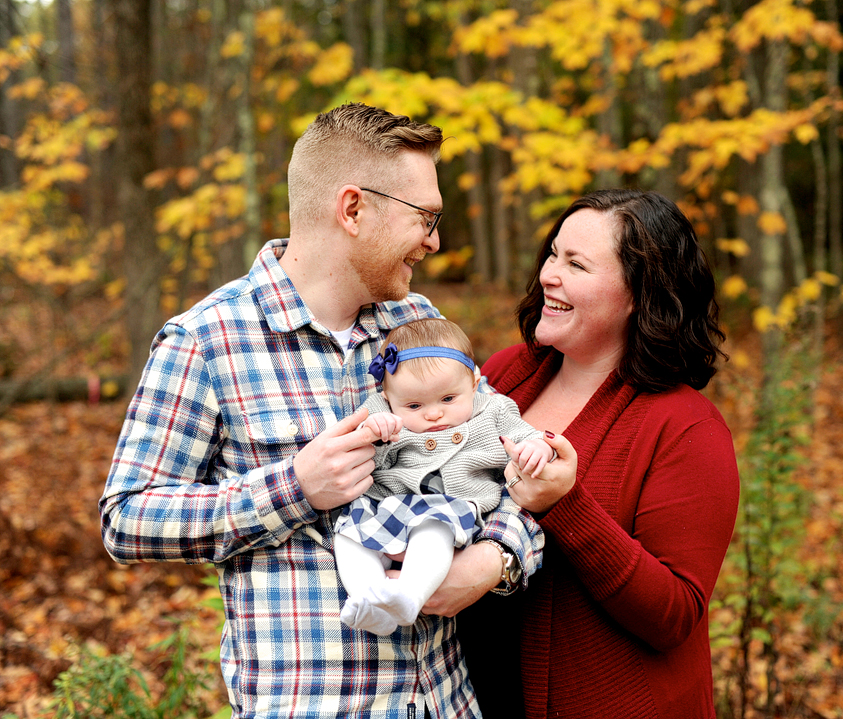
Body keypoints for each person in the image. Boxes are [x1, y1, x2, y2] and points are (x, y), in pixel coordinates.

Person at [100, 103, 543, 719]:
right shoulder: (206, 340)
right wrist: (295, 489)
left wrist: (496, 559)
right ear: (353, 208)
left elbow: (501, 465)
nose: (435, 240)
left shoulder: (420, 327)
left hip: (443, 704)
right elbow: (127, 519)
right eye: (426, 216)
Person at [457, 189, 740, 719]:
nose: (548, 275)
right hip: (475, 693)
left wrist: (566, 505)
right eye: (553, 254)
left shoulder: (687, 428)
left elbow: (674, 615)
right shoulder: (507, 373)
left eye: (577, 264)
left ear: (638, 295)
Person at [334, 318, 554, 636]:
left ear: (475, 381)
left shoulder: (494, 409)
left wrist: (535, 448)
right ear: (386, 394)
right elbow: (363, 458)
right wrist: (374, 434)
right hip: (388, 507)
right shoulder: (380, 411)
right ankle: (369, 598)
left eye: (448, 399)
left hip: (453, 509)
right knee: (348, 534)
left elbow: (524, 435)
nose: (434, 413)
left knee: (433, 527)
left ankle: (411, 593)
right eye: (414, 405)